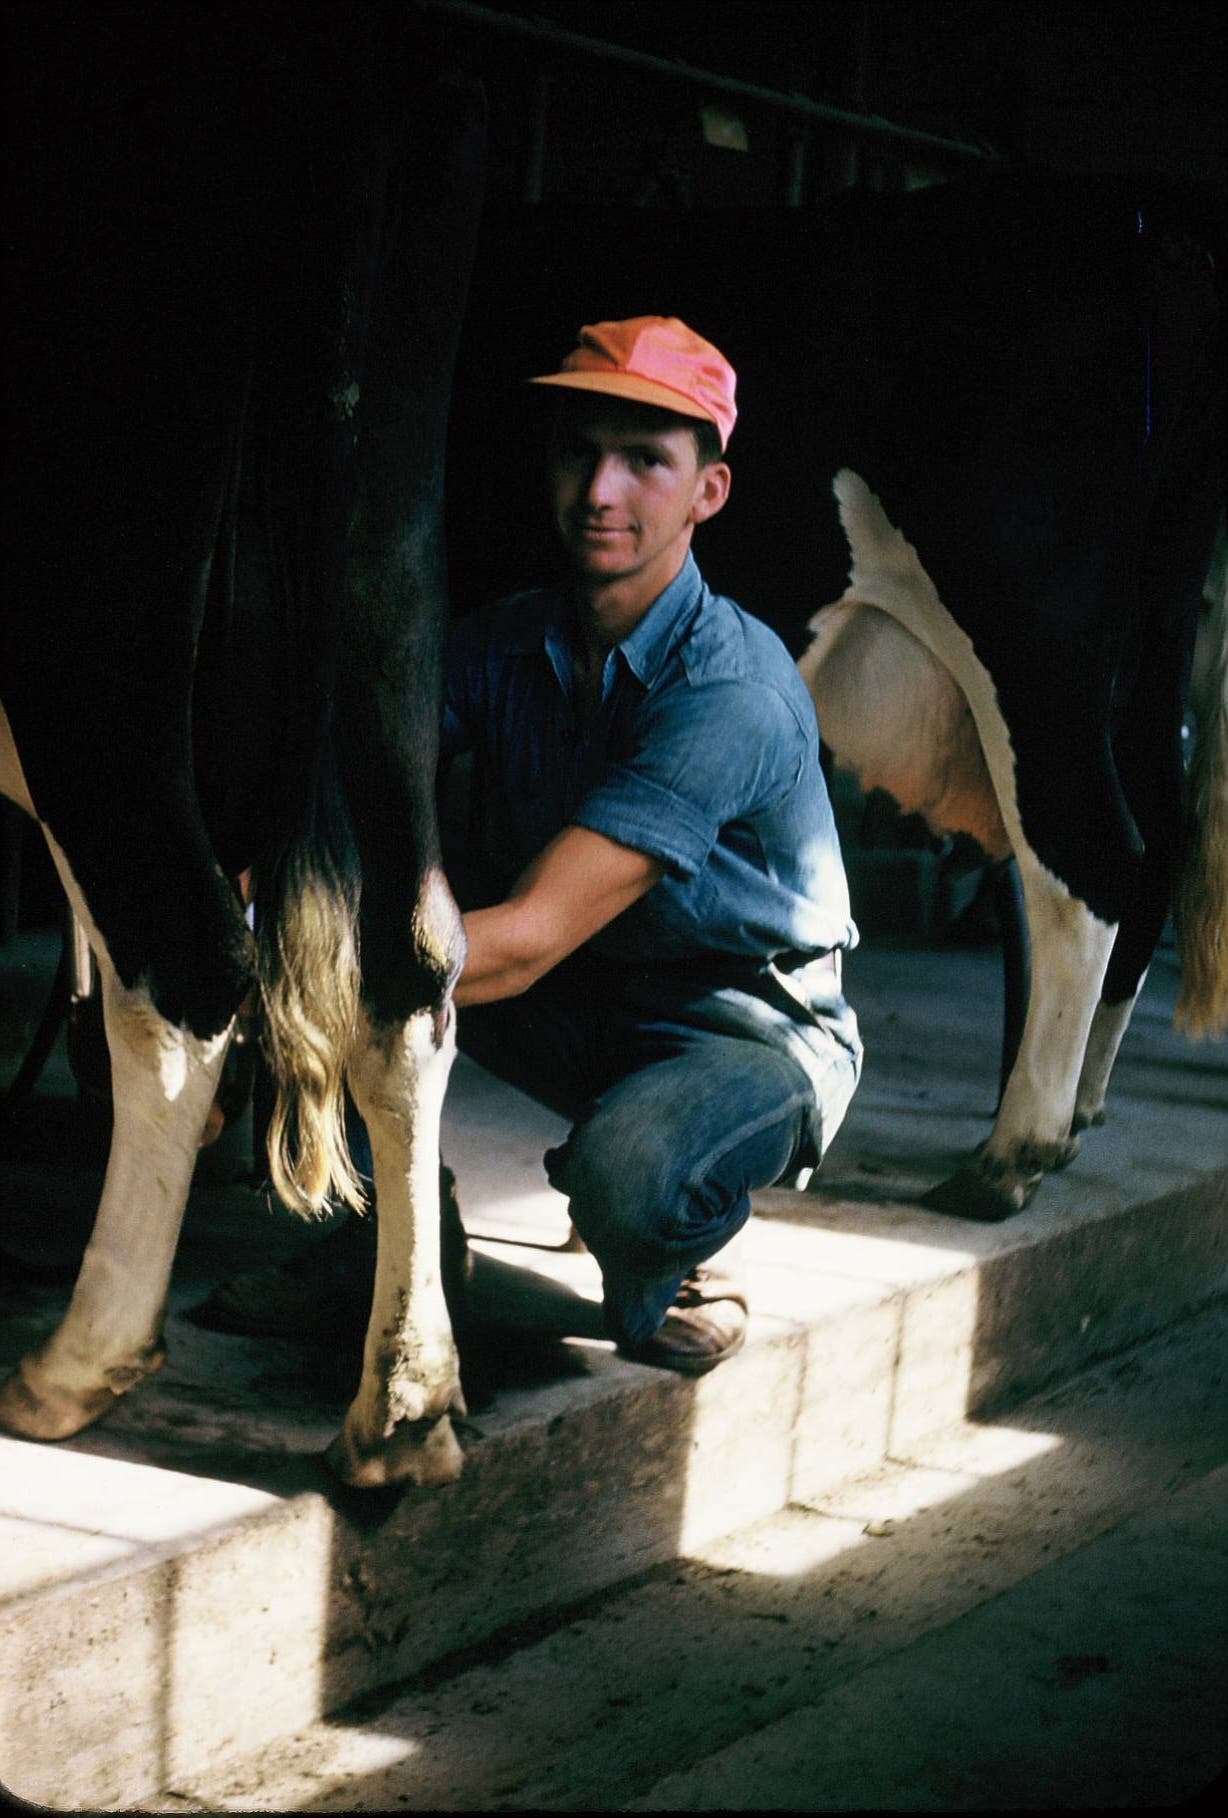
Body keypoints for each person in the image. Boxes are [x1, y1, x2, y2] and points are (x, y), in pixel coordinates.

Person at [201, 315, 862, 1375]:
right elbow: (353, 782)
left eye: (644, 460)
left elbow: (527, 940)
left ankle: (693, 1252)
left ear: (709, 492)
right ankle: (389, 1246)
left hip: (738, 1030)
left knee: (628, 1179)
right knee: (327, 905)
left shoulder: (730, 689)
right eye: (579, 453)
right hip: (582, 998)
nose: (600, 491)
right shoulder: (505, 641)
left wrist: (272, 958)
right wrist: (247, 892)